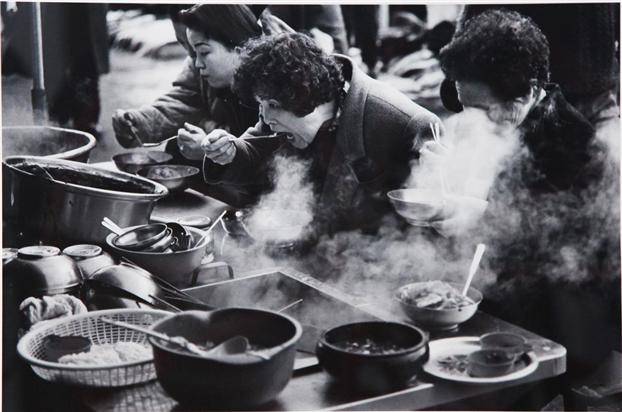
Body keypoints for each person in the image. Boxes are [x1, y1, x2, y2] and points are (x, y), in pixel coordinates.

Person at [433, 9, 619, 388]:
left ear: (531, 90)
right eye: (467, 106)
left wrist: (477, 216)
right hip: (513, 296)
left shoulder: (576, 151)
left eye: (487, 110)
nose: (475, 122)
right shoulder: (514, 118)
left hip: (566, 323)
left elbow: (557, 258)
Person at [189, 32, 440, 236]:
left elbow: (431, 226)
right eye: (261, 105)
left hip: (372, 262)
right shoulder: (278, 106)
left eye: (273, 105)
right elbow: (254, 151)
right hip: (312, 249)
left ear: (305, 96)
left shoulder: (405, 124)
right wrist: (228, 152)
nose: (265, 117)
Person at [112, 4, 261, 150]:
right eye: (184, 43)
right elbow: (184, 99)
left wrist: (209, 148)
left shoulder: (268, 82)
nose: (194, 60)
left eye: (203, 51)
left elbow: (260, 152)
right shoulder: (219, 66)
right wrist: (140, 121)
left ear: (239, 49)